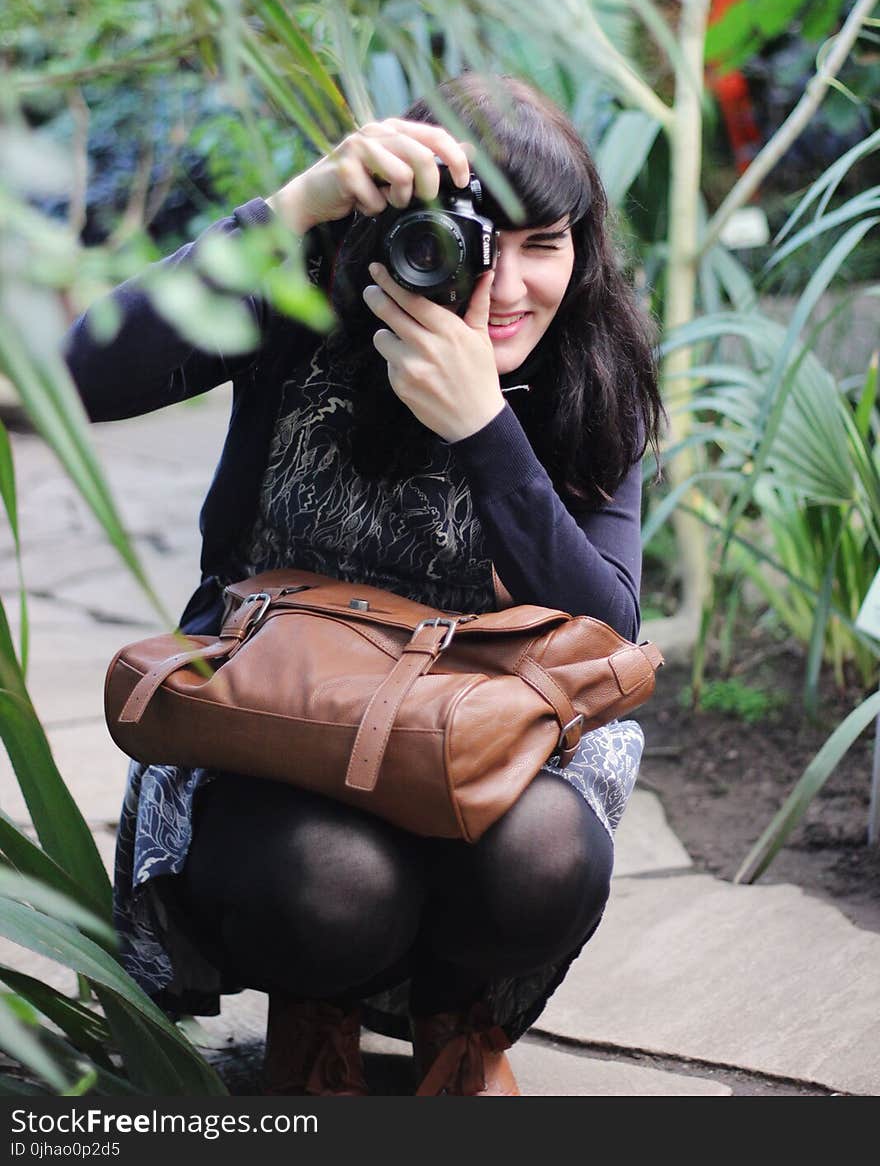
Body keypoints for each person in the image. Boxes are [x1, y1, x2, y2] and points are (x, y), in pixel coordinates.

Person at [64, 72, 663, 1096]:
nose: (505, 286)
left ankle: (457, 1021)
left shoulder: (587, 366)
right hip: (284, 731)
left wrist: (485, 427)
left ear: (585, 246)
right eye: (475, 238)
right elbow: (90, 370)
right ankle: (318, 1010)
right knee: (333, 885)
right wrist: (294, 205)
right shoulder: (310, 303)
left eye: (544, 243)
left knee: (547, 855)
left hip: (480, 749)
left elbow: (606, 627)